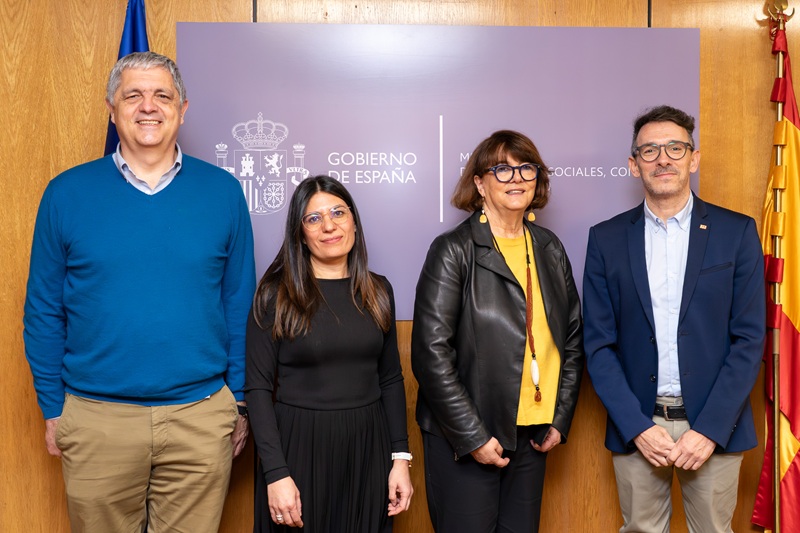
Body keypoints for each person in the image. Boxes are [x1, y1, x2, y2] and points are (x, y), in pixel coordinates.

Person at [22, 51, 255, 532]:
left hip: (200, 417)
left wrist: (237, 402)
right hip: (96, 419)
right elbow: (44, 310)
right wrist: (52, 407)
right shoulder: (65, 194)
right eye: (133, 95)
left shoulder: (223, 192)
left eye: (162, 95)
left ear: (183, 109)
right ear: (112, 107)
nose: (148, 106)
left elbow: (239, 304)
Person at [583, 105, 766, 533]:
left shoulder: (736, 232)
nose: (663, 158)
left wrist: (710, 429)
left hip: (715, 424)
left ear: (693, 158)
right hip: (639, 425)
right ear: (633, 165)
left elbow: (749, 339)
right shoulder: (606, 239)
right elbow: (598, 345)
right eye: (649, 150)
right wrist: (636, 427)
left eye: (675, 148)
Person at [411, 130, 584, 532]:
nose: (517, 178)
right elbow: (430, 355)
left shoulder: (549, 247)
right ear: (479, 183)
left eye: (527, 168)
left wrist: (559, 418)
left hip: (533, 432)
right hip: (467, 439)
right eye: (502, 169)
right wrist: (472, 435)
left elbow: (572, 339)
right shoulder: (453, 249)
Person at [245, 175, 413, 532]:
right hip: (298, 450)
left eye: (338, 212)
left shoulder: (378, 290)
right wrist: (276, 473)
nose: (329, 226)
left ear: (353, 220)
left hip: (369, 451)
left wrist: (400, 459)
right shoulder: (274, 295)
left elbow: (391, 379)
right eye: (314, 218)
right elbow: (258, 388)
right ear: (300, 232)